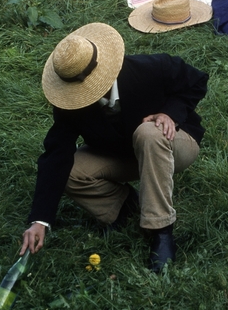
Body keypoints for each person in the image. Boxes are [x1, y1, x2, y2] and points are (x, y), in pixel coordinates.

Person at [20, 23, 208, 273]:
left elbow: (196, 81)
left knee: (148, 131)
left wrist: (170, 114)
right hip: (122, 154)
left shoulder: (151, 68)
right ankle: (126, 207)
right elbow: (56, 154)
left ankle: (160, 230)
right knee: (71, 172)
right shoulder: (69, 104)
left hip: (172, 143)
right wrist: (39, 220)